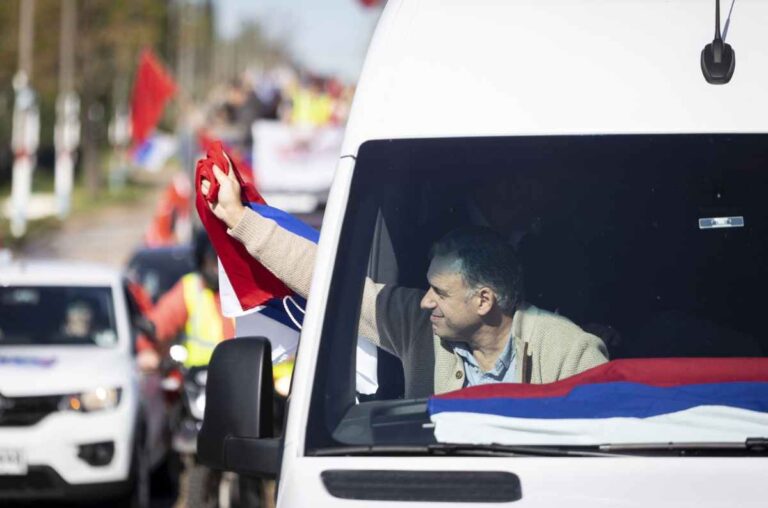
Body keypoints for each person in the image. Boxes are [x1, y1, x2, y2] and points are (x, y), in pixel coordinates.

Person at [201, 163, 608, 398]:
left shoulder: (571, 353)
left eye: (440, 292)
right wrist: (240, 220)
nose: (425, 301)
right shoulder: (416, 324)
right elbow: (323, 277)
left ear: (484, 300)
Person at [137, 230, 234, 371]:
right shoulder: (191, 288)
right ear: (202, 261)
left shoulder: (243, 291)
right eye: (213, 260)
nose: (217, 268)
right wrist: (148, 351)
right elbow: (159, 323)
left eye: (223, 259)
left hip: (243, 374)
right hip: (200, 377)